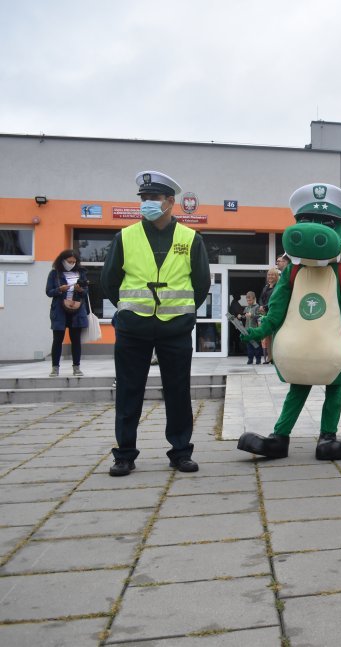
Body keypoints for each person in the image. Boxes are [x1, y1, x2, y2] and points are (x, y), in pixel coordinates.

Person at [102, 170, 210, 477]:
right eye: (144, 197)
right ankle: (124, 455)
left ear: (170, 201)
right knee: (128, 392)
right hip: (133, 328)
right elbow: (109, 280)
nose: (147, 202)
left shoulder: (190, 238)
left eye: (154, 197)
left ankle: (180, 452)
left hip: (175, 328)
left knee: (178, 392)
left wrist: (184, 314)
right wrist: (128, 310)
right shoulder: (125, 236)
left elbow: (201, 283)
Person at [45, 249, 90, 377]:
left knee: (75, 340)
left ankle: (76, 367)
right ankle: (55, 368)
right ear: (62, 260)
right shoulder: (54, 273)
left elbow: (86, 292)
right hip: (59, 310)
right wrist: (60, 289)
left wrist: (80, 290)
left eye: (74, 262)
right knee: (57, 339)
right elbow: (48, 292)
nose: (71, 264)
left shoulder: (81, 273)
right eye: (69, 261)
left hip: (77, 310)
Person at [258, 267, 279, 364]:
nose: (270, 276)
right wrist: (261, 306)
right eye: (269, 274)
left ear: (276, 276)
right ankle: (269, 357)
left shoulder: (278, 287)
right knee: (268, 336)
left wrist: (265, 307)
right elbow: (261, 298)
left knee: (274, 335)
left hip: (273, 312)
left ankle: (275, 357)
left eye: (272, 275)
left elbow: (275, 300)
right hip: (265, 313)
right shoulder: (266, 287)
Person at [241, 291, 264, 364]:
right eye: (247, 300)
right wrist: (241, 316)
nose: (248, 302)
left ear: (254, 299)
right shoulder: (247, 308)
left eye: (250, 300)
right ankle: (250, 359)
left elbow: (260, 317)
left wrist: (252, 315)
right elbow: (244, 316)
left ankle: (258, 359)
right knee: (249, 345)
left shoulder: (257, 307)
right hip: (248, 329)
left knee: (256, 345)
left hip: (255, 329)